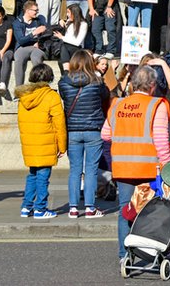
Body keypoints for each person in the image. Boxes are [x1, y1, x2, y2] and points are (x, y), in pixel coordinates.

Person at [104, 65, 170, 268]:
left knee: (125, 210)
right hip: (148, 169)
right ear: (152, 85)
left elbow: (105, 134)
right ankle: (150, 253)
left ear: (133, 84)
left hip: (123, 168)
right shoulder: (156, 105)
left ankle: (124, 255)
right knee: (151, 212)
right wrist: (167, 165)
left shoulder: (117, 104)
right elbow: (161, 140)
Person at [59, 50, 109, 219]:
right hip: (93, 129)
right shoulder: (97, 81)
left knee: (75, 170)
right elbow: (106, 95)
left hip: (72, 130)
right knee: (91, 170)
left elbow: (65, 97)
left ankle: (73, 208)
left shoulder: (63, 82)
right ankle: (90, 208)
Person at [16, 63, 67, 220]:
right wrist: (62, 146)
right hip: (46, 142)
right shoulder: (51, 96)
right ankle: (40, 208)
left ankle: (26, 206)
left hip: (30, 142)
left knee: (32, 175)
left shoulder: (23, 97)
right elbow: (59, 123)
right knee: (43, 176)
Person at [12, 1, 49, 89]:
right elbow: (21, 40)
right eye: (35, 10)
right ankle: (19, 89)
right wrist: (34, 33)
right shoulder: (17, 23)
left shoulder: (38, 21)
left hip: (36, 47)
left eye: (37, 10)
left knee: (36, 59)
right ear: (27, 11)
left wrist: (39, 42)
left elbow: (46, 35)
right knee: (19, 59)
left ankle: (39, 87)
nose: (37, 12)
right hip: (22, 47)